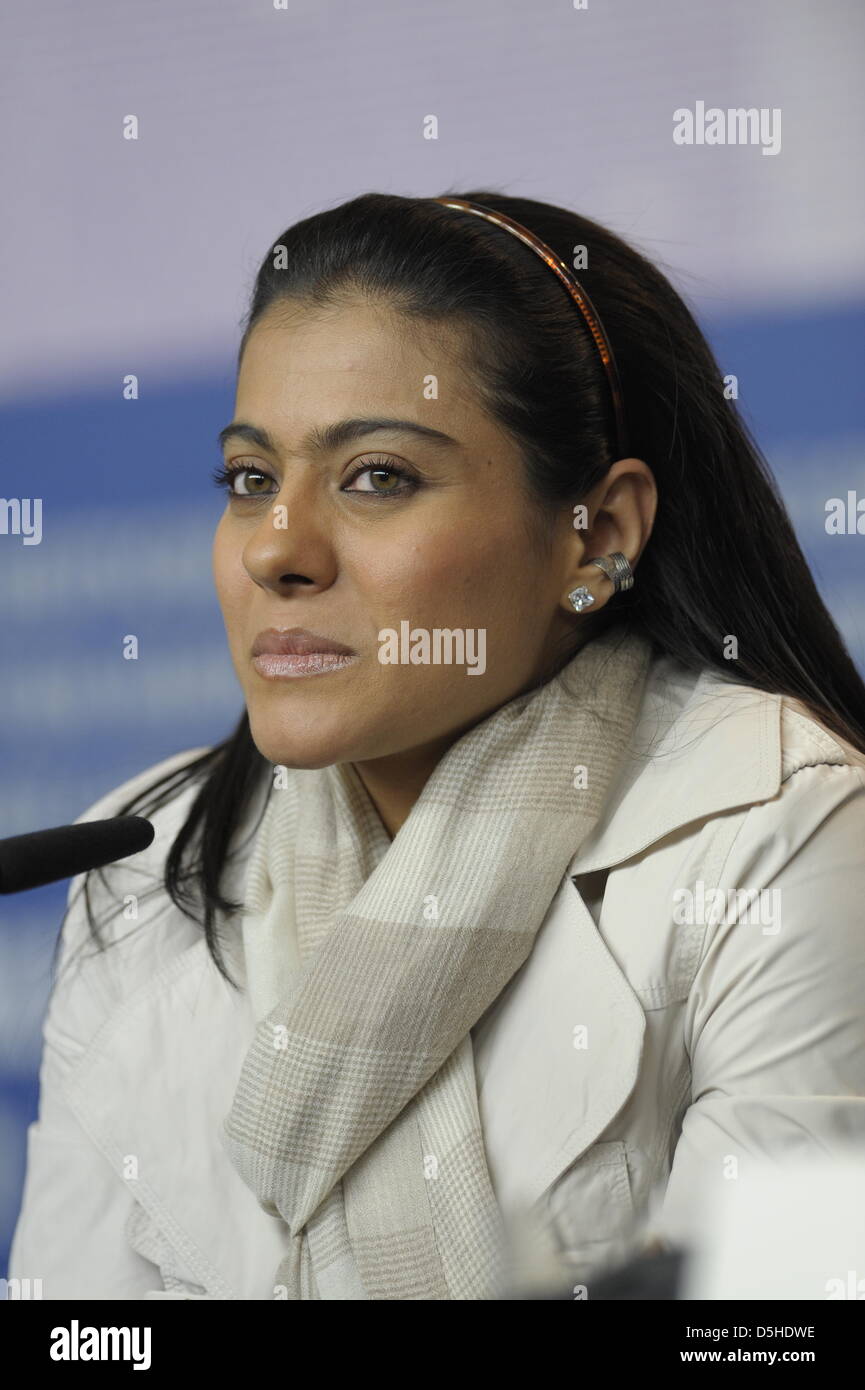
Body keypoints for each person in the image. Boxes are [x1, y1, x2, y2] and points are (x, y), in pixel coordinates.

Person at [9, 190, 865, 1300]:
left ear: (594, 537)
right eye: (250, 480)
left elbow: (770, 1327)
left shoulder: (788, 831)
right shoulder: (139, 867)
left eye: (378, 477)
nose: (277, 550)